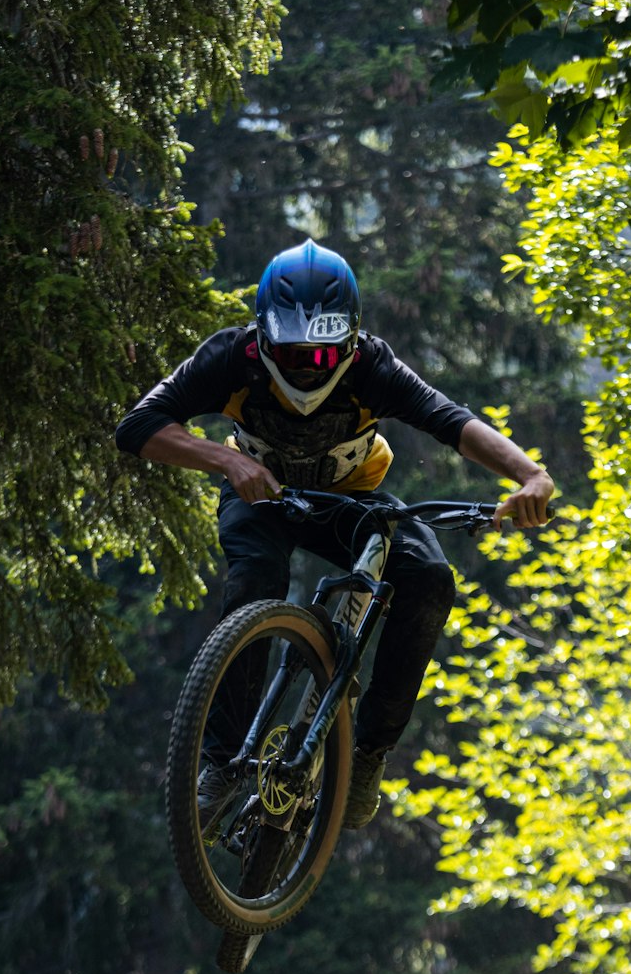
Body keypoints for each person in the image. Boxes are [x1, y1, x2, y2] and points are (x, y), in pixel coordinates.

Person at [115, 238, 553, 831]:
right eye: (291, 354)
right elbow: (138, 425)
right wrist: (227, 463)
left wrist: (529, 475)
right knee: (253, 585)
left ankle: (368, 752)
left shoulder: (374, 366)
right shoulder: (231, 356)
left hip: (352, 500)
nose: (304, 367)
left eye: (320, 358)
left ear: (348, 341)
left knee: (427, 578)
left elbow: (453, 422)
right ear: (264, 338)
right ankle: (219, 762)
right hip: (260, 498)